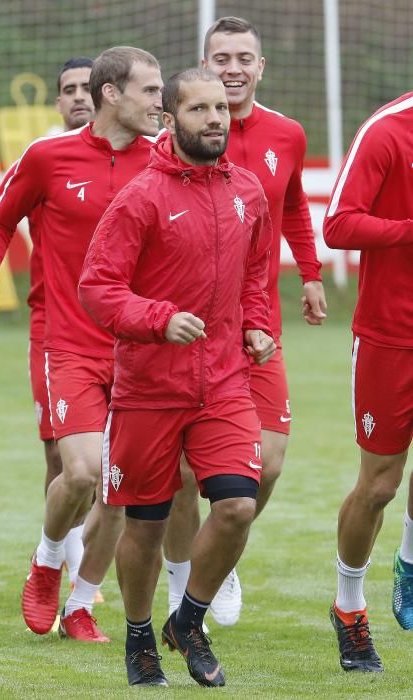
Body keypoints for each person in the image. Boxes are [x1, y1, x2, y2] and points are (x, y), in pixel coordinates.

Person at [79, 67, 276, 688]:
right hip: (149, 388)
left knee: (239, 504)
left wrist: (258, 324)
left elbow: (257, 277)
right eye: (200, 110)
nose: (216, 119)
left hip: (223, 382)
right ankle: (140, 637)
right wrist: (159, 320)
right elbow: (98, 290)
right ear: (171, 118)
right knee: (146, 523)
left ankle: (187, 620)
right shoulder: (140, 197)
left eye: (222, 109)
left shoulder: (248, 190)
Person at [0, 46, 163, 643]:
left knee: (120, 488)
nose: (161, 103)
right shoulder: (48, 156)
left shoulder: (165, 160)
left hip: (141, 348)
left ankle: (80, 604)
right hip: (69, 341)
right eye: (151, 92)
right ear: (112, 94)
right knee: (79, 473)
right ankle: (48, 560)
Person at [163, 15, 327, 627]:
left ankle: (219, 556)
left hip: (257, 327)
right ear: (204, 65)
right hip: (189, 328)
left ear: (262, 67)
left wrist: (309, 274)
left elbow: (294, 208)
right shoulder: (182, 134)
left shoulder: (286, 133)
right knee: (180, 472)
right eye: (221, 57)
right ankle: (186, 586)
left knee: (271, 460)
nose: (232, 68)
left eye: (243, 58)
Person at [0, 56, 99, 597]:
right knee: (66, 461)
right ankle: (61, 569)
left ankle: (89, 585)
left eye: (86, 88)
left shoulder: (150, 155)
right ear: (56, 102)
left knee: (119, 470)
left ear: (108, 93)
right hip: (58, 329)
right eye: (67, 90)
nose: (78, 97)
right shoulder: (45, 156)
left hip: (131, 332)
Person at [323, 92, 413, 673]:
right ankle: (349, 605)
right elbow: (337, 224)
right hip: (391, 335)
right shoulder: (388, 129)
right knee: (379, 485)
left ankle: (409, 563)